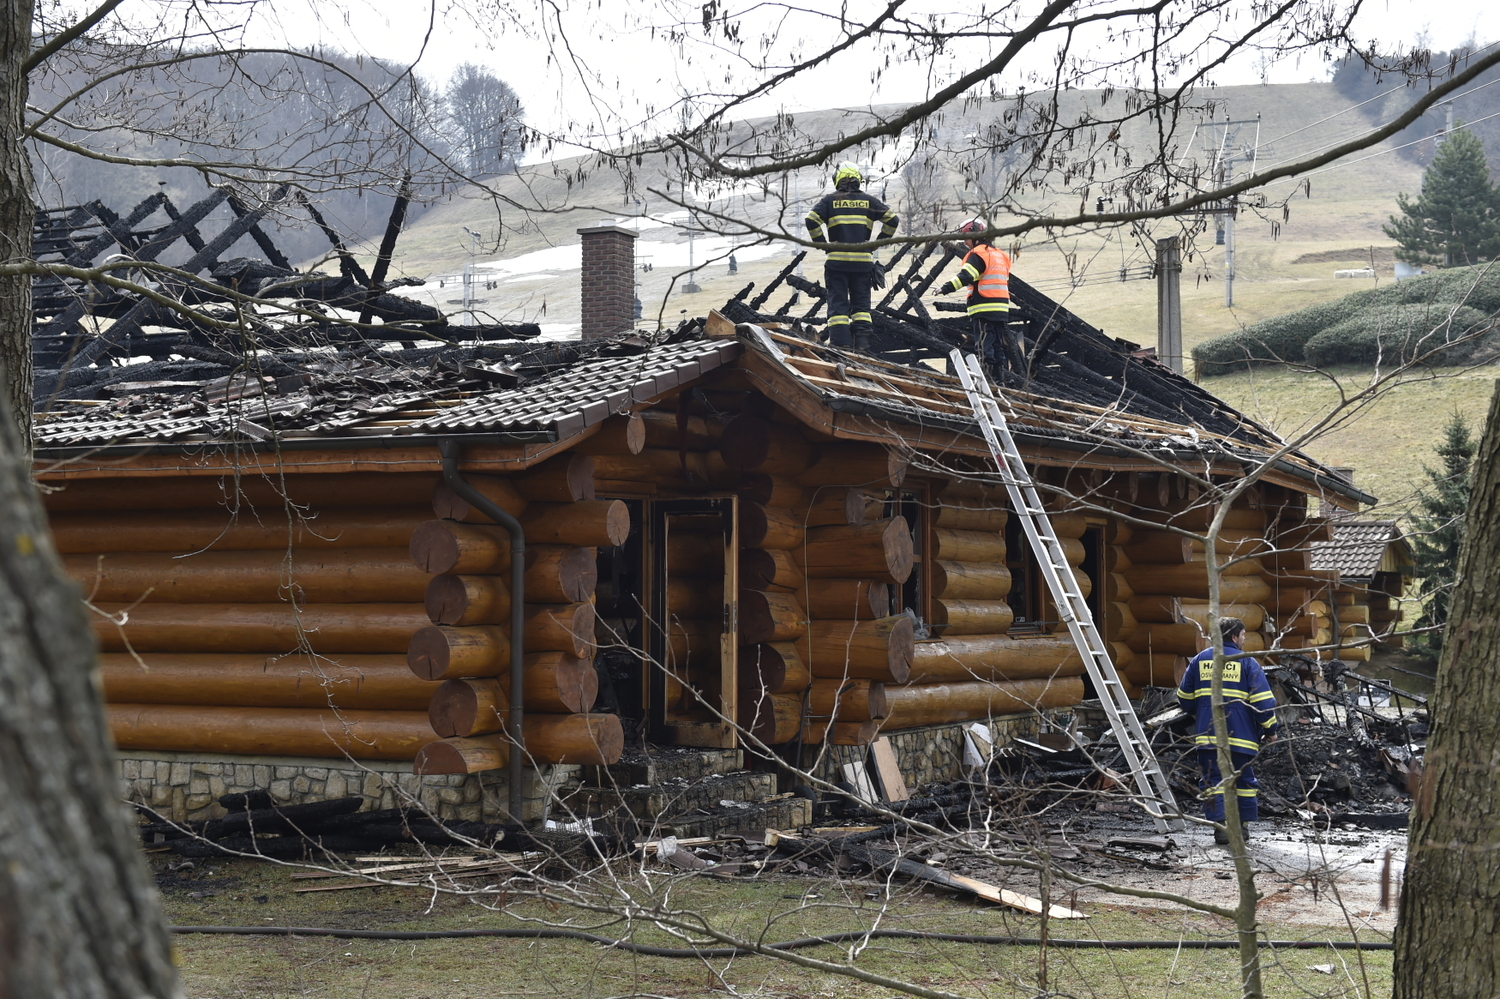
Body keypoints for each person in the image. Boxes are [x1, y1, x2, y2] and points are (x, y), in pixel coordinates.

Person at [1176, 617, 1279, 844]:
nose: (1244, 640)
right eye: (1243, 636)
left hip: (1209, 737)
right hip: (1242, 739)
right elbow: (1263, 702)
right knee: (1243, 782)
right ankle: (1240, 829)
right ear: (1234, 636)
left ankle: (1221, 828)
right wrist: (1270, 729)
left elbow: (1183, 697)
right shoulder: (1247, 662)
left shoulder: (1199, 660)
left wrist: (1201, 713)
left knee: (1213, 782)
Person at [804, 162, 899, 351]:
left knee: (838, 304)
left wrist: (823, 244)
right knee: (861, 306)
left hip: (837, 263)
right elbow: (892, 220)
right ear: (858, 180)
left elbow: (811, 220)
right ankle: (862, 345)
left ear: (837, 180)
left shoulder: (829, 201)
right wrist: (876, 243)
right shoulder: (870, 201)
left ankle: (841, 345)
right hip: (862, 264)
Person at [937, 219, 1022, 370]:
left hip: (984, 306)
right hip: (1001, 308)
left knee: (984, 345)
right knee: (997, 345)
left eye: (966, 239)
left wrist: (945, 288)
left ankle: (987, 378)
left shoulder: (978, 255)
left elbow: (966, 276)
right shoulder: (1000, 254)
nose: (965, 243)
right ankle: (1000, 378)